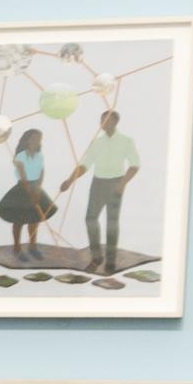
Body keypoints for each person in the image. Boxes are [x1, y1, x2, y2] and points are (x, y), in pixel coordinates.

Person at [60, 108, 142, 274]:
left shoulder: (126, 141)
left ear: (114, 121)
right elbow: (84, 164)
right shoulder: (96, 142)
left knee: (112, 222)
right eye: (101, 120)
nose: (102, 123)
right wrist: (69, 180)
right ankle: (96, 257)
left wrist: (122, 184)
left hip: (116, 183)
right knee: (91, 218)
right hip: (97, 183)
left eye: (106, 120)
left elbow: (135, 165)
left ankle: (110, 260)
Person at [0, 125, 59, 260]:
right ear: (27, 140)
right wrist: (31, 191)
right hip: (22, 189)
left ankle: (32, 247)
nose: (37, 141)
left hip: (36, 187)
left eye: (39, 139)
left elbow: (41, 172)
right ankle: (17, 248)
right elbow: (23, 177)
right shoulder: (20, 156)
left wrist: (38, 189)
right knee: (19, 220)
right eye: (34, 138)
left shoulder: (40, 155)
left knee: (34, 220)